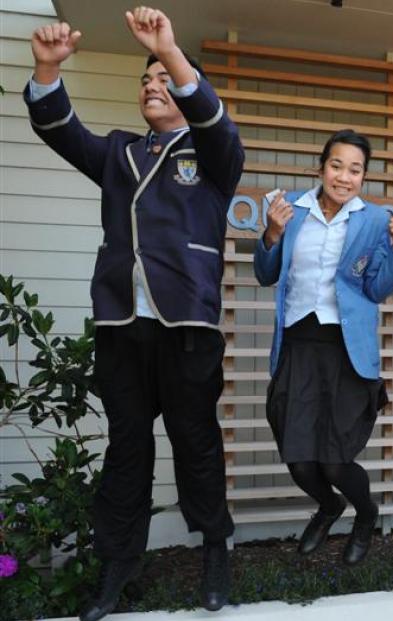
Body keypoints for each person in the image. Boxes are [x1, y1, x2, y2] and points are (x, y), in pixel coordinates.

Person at [24, 7, 244, 620]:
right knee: (127, 448)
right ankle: (120, 561)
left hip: (188, 328)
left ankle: (215, 546)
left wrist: (170, 54)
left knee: (195, 444)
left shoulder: (214, 153)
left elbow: (213, 117)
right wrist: (46, 69)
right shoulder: (119, 153)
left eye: (161, 80)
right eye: (143, 81)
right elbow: (61, 129)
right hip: (123, 325)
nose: (151, 86)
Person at [254, 129, 393, 566]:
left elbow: (377, 289)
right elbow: (265, 275)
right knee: (301, 460)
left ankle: (365, 513)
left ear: (364, 176)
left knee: (335, 461)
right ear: (321, 167)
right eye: (337, 165)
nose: (344, 176)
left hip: (346, 352)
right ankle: (329, 506)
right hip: (298, 347)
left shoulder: (377, 221)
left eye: (355, 169)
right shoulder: (292, 213)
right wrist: (270, 233)